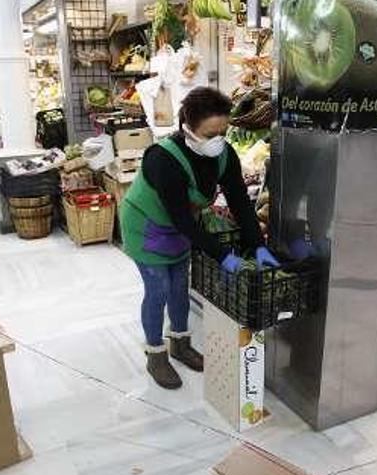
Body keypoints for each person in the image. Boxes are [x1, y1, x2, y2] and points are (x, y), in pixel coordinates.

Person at [119, 86, 279, 389]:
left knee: (180, 284)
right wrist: (224, 256)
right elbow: (182, 219)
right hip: (148, 227)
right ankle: (156, 354)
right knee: (159, 289)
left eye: (223, 131)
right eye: (209, 134)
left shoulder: (223, 155)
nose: (218, 140)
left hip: (181, 228)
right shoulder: (162, 159)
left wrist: (258, 245)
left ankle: (180, 343)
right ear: (188, 129)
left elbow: (240, 203)